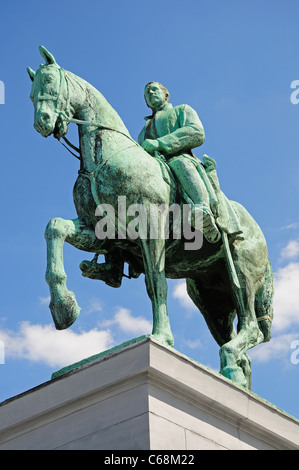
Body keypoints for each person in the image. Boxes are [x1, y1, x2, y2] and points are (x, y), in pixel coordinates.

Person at [138, 81, 221, 243]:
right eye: (147, 94)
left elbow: (196, 132)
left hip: (181, 159)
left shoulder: (182, 110)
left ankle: (202, 210)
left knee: (179, 163)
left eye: (154, 90)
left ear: (166, 95)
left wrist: (160, 143)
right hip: (155, 167)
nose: (151, 94)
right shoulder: (143, 132)